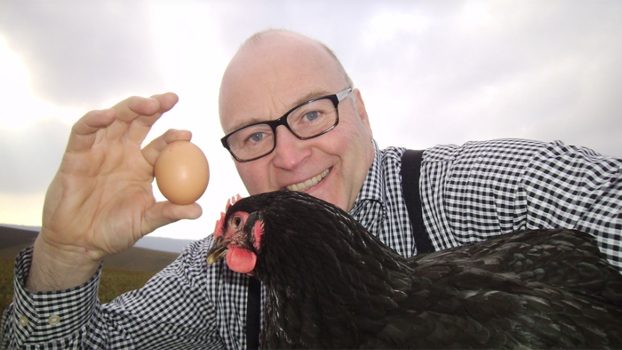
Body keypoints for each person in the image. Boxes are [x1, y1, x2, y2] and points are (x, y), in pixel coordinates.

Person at [1, 29, 621, 349]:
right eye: (252, 136)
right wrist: (66, 254)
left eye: (312, 113)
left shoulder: (472, 188)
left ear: (362, 112)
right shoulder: (219, 273)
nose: (291, 154)